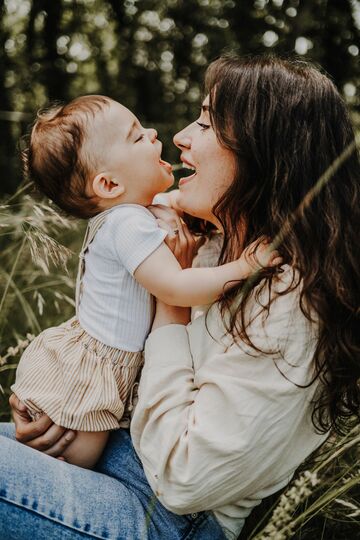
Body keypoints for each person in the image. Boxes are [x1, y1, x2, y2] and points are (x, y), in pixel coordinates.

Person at [1, 54, 359, 540]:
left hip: (164, 514)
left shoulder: (293, 298)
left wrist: (171, 305)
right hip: (110, 451)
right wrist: (57, 406)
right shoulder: (210, 240)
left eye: (207, 123)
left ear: (264, 151)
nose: (180, 137)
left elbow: (184, 479)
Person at [10, 95, 277, 469]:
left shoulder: (131, 214)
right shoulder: (126, 224)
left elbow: (172, 204)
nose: (153, 133)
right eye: (136, 138)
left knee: (42, 458)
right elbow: (176, 287)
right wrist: (246, 266)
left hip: (104, 358)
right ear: (108, 183)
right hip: (95, 369)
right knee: (72, 459)